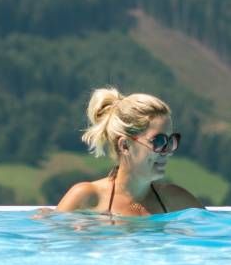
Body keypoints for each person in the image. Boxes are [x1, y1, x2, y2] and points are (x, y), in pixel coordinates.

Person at [49, 87, 204, 217]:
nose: (167, 151)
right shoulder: (86, 198)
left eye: (171, 141)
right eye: (158, 141)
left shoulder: (177, 201)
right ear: (125, 146)